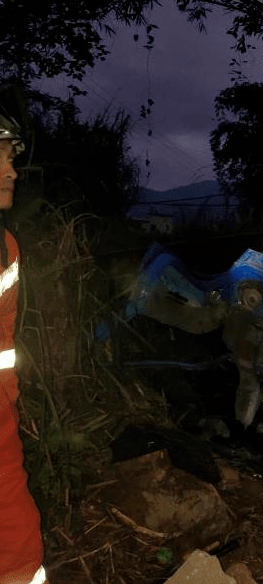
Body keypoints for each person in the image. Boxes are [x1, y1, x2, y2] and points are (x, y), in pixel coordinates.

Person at [0, 92, 48, 584]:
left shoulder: (6, 245)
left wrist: (8, 400)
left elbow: (4, 341)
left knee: (19, 549)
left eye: (11, 157)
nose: (11, 171)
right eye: (0, 156)